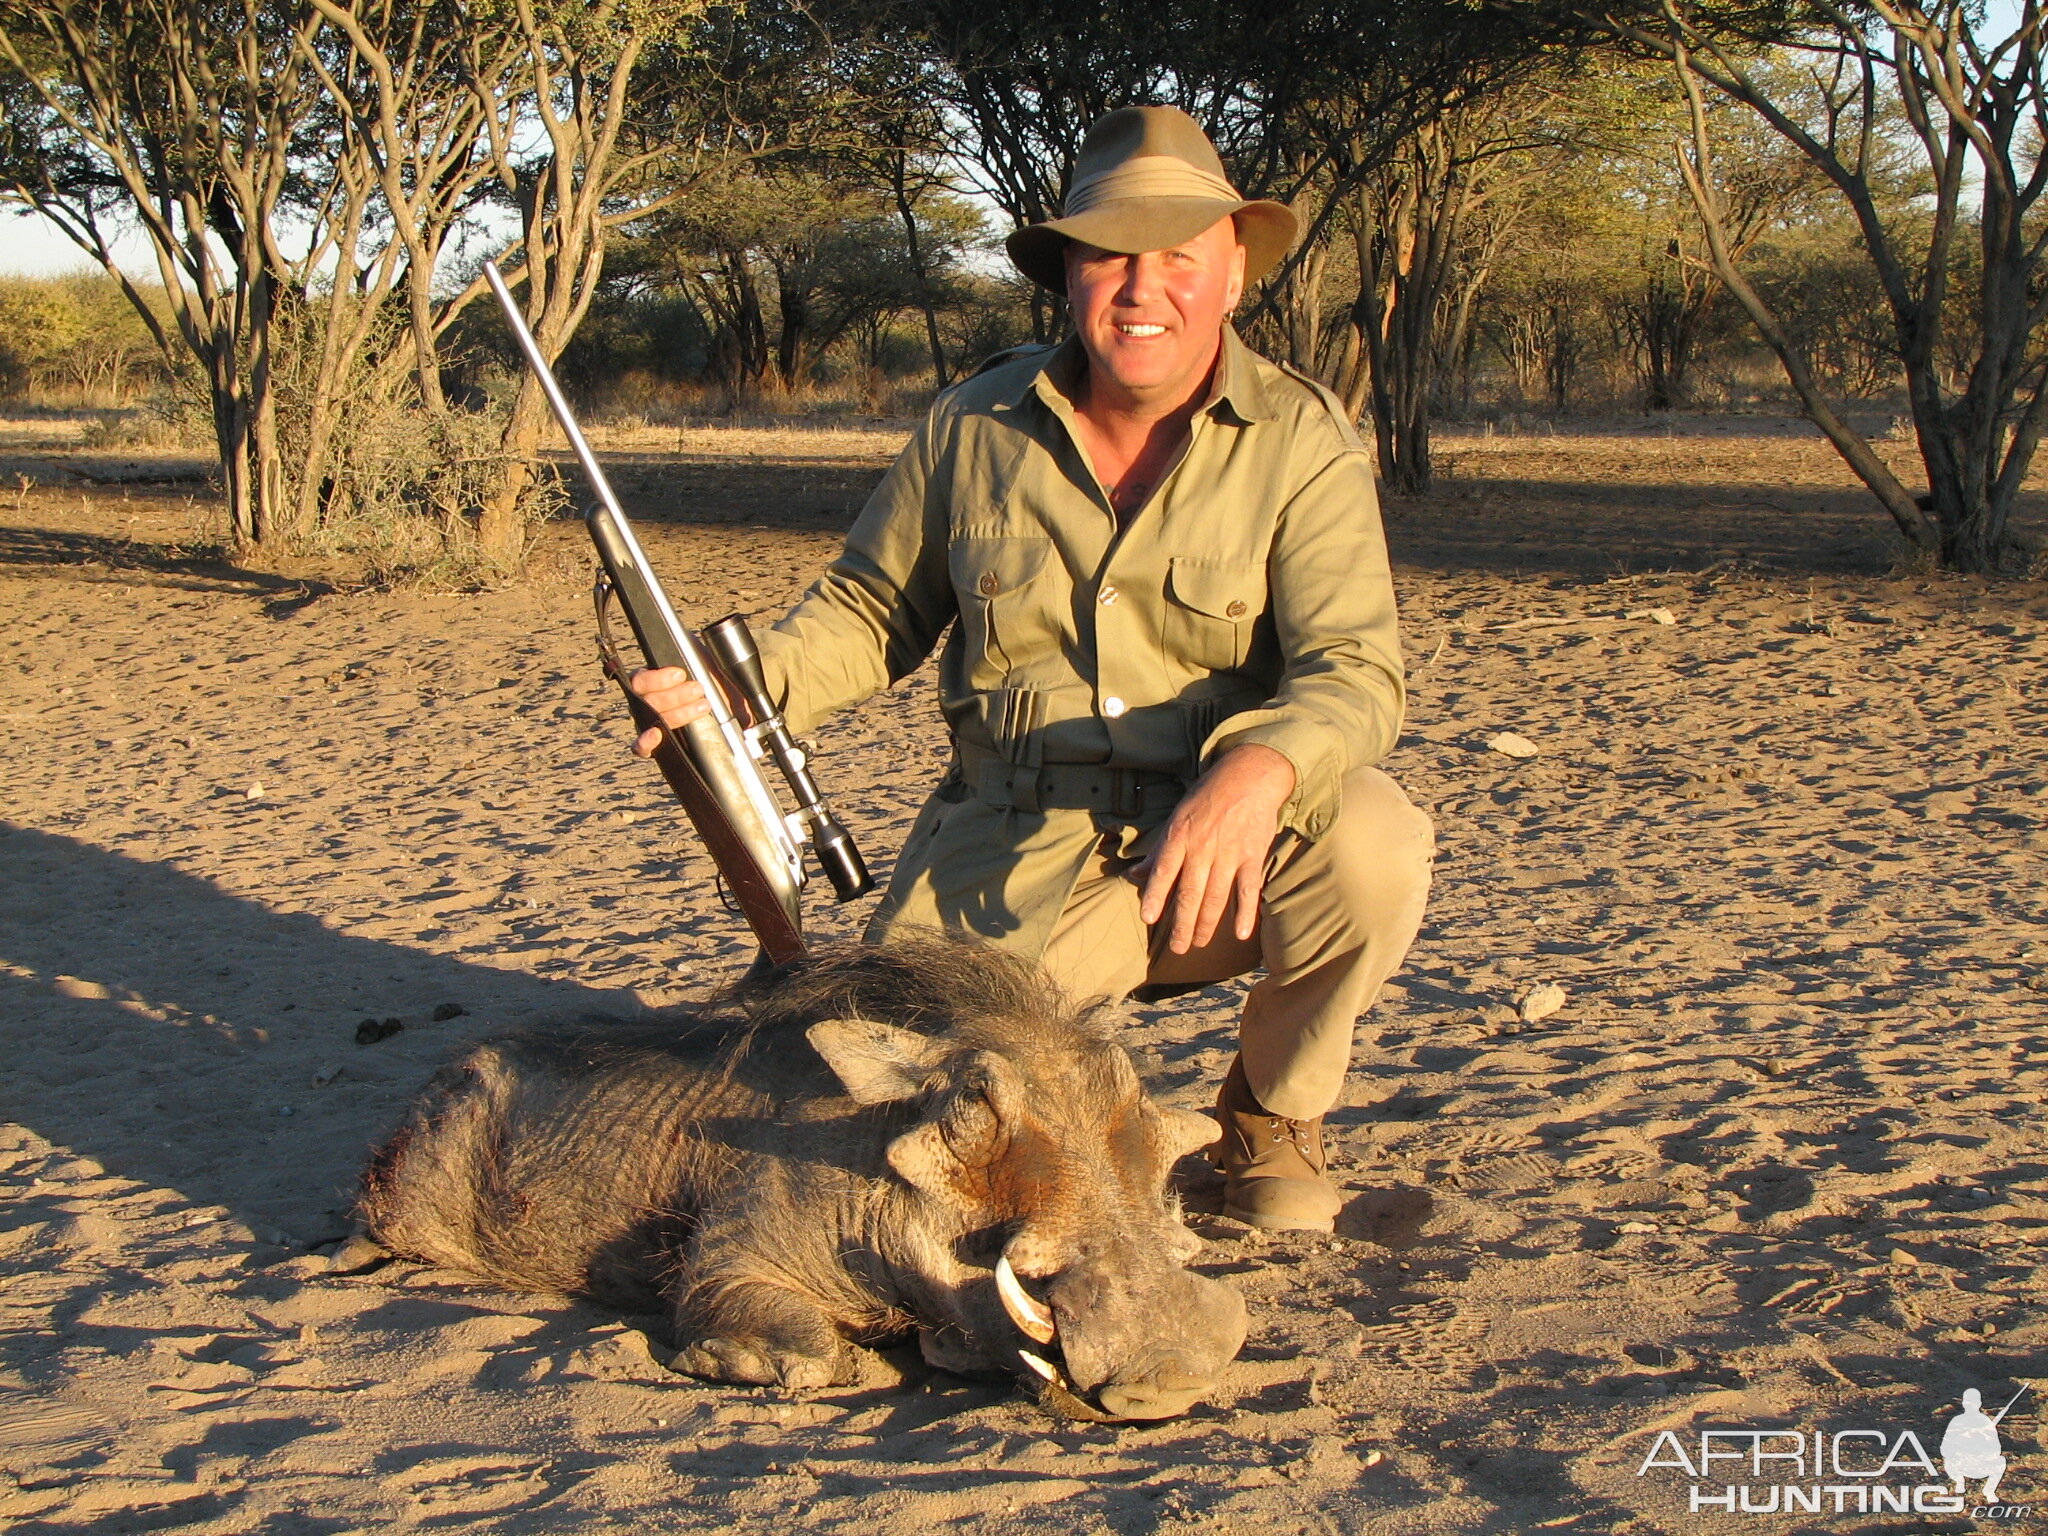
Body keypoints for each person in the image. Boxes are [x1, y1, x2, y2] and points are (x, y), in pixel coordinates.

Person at [630, 105, 1433, 1233]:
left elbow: (1354, 673)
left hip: (1208, 858)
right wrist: (741, 684)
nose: (1141, 289)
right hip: (1003, 855)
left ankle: (1267, 1113)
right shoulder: (971, 424)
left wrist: (1255, 772)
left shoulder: (1300, 440)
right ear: (1065, 276)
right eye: (1108, 255)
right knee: (879, 1125)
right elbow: (868, 613)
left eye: (1177, 259)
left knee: (1372, 838)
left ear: (1233, 275)